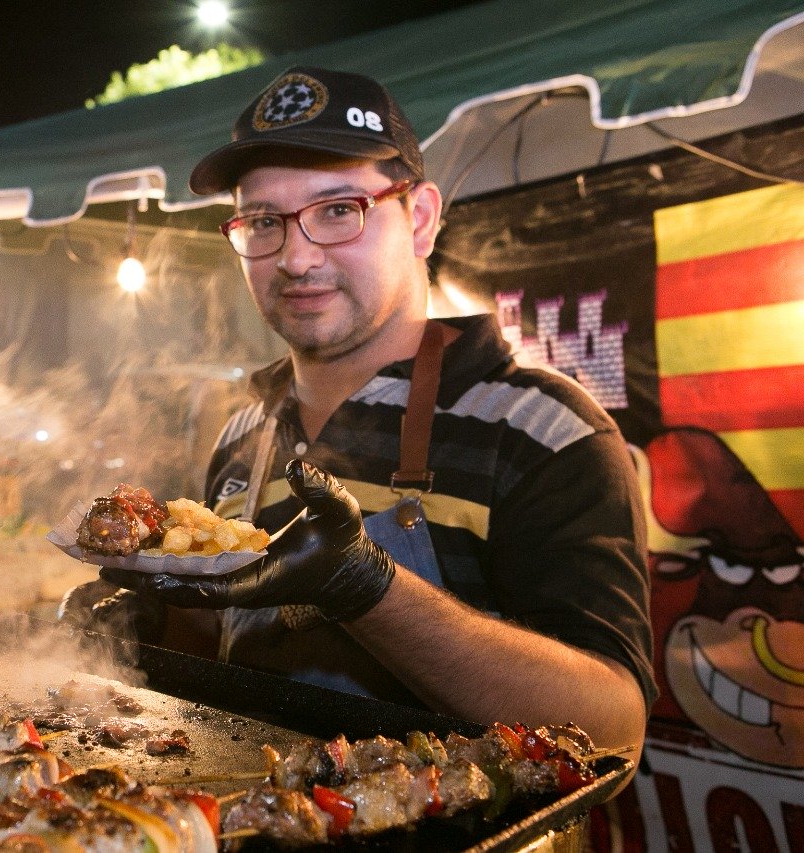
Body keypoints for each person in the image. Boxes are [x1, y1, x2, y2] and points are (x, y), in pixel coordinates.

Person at [64, 66, 655, 767]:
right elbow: (219, 642)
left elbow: (617, 724)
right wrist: (148, 624)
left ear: (423, 219)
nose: (297, 256)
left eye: (339, 208)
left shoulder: (542, 430)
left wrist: (367, 587)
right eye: (262, 221)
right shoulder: (243, 435)